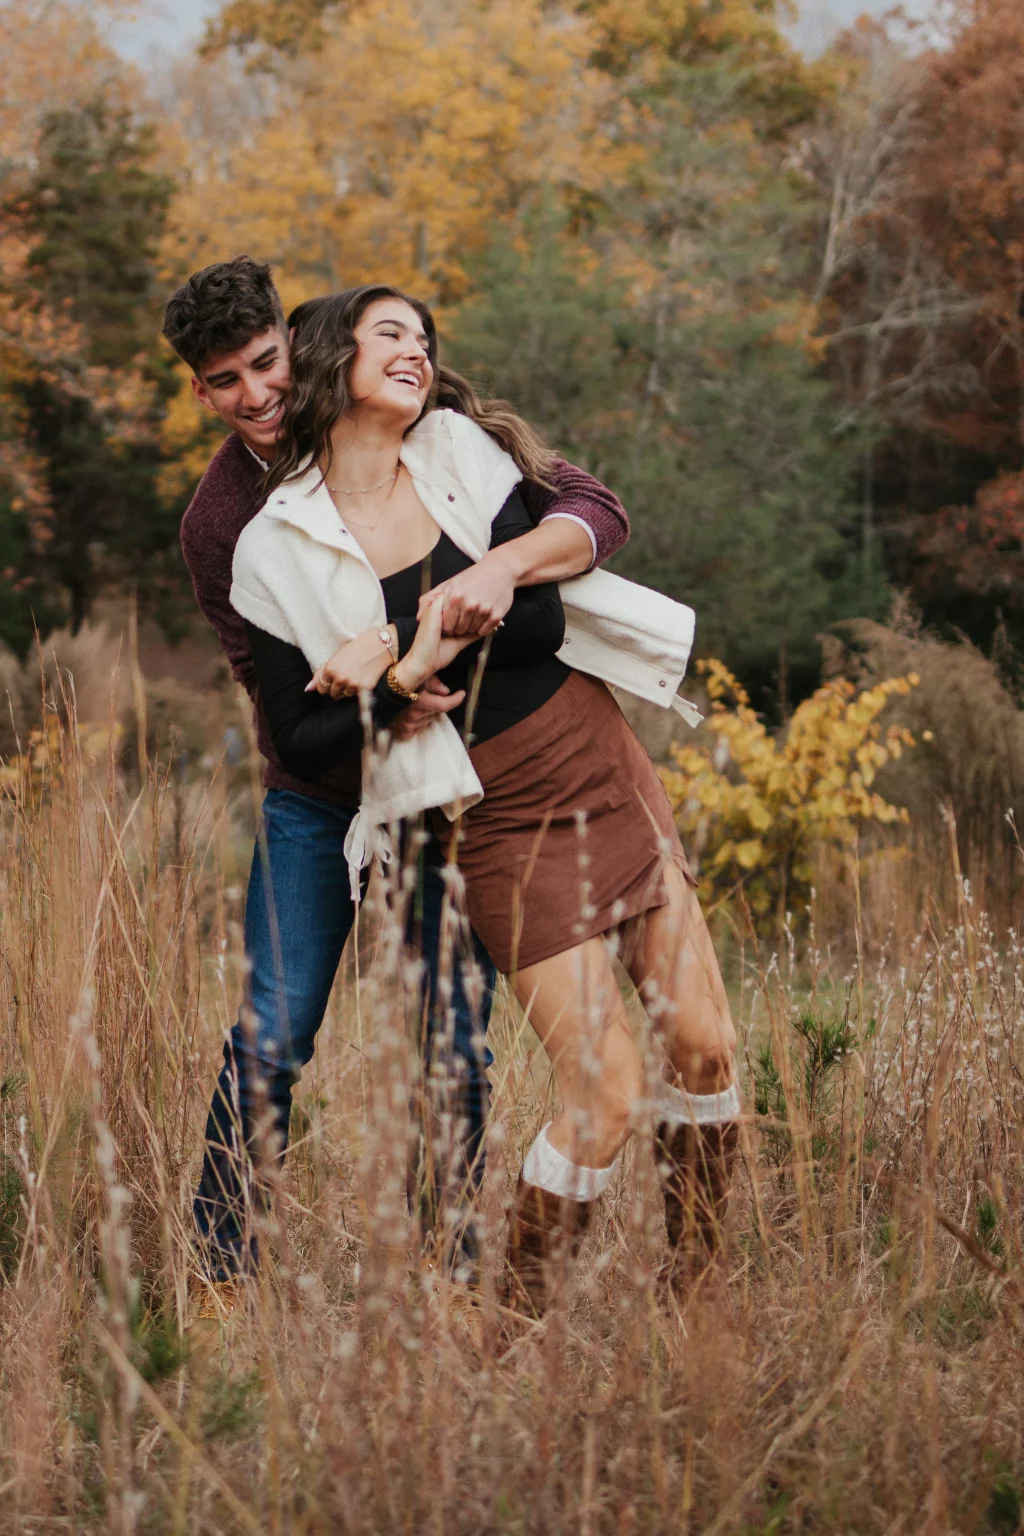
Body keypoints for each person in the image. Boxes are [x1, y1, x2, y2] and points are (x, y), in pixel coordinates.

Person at [230, 283, 740, 1314]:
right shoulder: (269, 548)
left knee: (703, 1043)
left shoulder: (461, 451)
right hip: (486, 816)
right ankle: (514, 1322)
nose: (415, 351)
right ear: (332, 360)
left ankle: (699, 1288)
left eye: (422, 337)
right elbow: (303, 737)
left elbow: (554, 594)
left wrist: (499, 571)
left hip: (590, 758)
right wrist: (403, 666)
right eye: (389, 337)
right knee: (603, 1091)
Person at [162, 257, 630, 1298]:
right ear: (201, 392)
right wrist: (375, 698)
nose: (257, 394)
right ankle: (218, 1277)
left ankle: (449, 1270)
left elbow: (592, 507)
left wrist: (499, 575)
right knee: (275, 1033)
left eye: (267, 362)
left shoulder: (415, 423)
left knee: (450, 1039)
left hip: (438, 784)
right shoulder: (219, 525)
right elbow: (275, 700)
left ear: (295, 345)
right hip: (317, 794)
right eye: (227, 380)